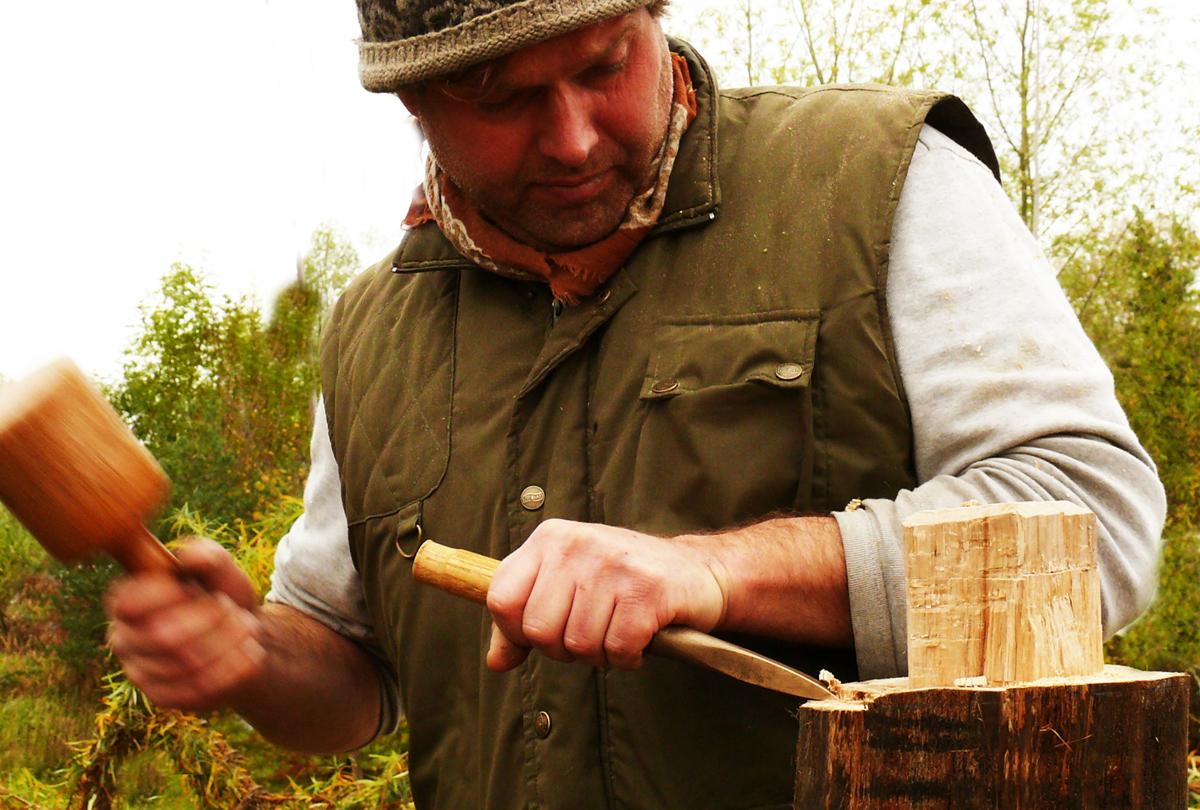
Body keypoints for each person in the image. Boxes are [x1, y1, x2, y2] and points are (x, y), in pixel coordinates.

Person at [105, 2, 1166, 808]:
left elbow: (1095, 533)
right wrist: (253, 656)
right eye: (502, 100)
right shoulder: (371, 331)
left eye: (605, 65)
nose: (571, 138)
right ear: (412, 102)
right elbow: (350, 674)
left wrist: (714, 571)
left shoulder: (878, 183)